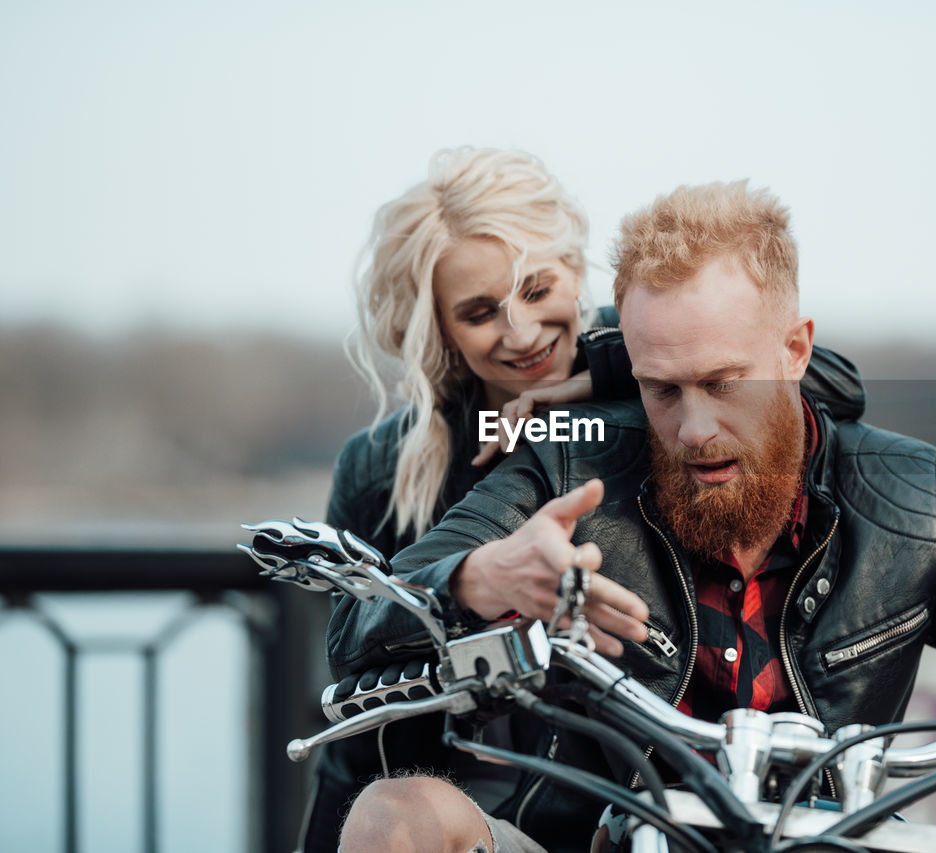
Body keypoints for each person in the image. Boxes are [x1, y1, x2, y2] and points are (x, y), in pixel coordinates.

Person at [328, 182, 936, 853]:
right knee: (395, 818)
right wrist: (480, 575)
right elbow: (363, 619)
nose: (693, 428)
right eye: (662, 389)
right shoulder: (562, 458)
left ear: (795, 350)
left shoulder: (908, 491)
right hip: (596, 834)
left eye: (725, 381)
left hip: (826, 830)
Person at [303, 151, 868, 851]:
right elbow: (350, 654)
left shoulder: (648, 368)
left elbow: (838, 386)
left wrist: (606, 364)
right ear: (439, 326)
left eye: (538, 290)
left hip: (627, 803)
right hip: (449, 799)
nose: (521, 332)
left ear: (574, 271)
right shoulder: (382, 464)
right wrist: (472, 585)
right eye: (479, 312)